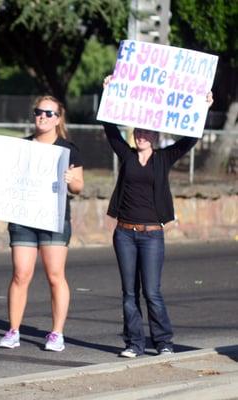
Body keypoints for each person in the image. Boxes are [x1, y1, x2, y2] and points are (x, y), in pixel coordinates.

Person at [102, 76, 213, 358]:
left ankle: (163, 341)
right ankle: (134, 344)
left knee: (152, 292)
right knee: (129, 293)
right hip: (125, 233)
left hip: (152, 234)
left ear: (155, 136)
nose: (142, 135)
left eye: (147, 132)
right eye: (138, 131)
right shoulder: (126, 155)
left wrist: (204, 109)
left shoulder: (164, 158)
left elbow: (190, 139)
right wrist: (108, 92)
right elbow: (110, 130)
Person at [0, 95, 84, 351]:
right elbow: (4, 178)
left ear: (58, 119)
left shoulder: (68, 149)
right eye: (39, 112)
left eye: (49, 113)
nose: (43, 117)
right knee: (20, 273)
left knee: (55, 275)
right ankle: (13, 331)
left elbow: (79, 187)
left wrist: (71, 179)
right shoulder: (20, 147)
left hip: (53, 218)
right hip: (23, 217)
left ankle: (57, 333)